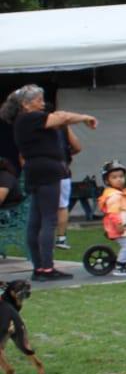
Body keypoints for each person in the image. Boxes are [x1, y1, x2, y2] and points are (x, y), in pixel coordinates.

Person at [1, 85, 97, 281]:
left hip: (34, 172)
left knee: (35, 221)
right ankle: (47, 268)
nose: (42, 104)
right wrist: (85, 117)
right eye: (38, 100)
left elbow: (60, 119)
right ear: (26, 105)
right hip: (47, 172)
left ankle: (39, 268)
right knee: (48, 220)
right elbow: (61, 118)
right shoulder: (31, 118)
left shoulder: (22, 121)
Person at [97, 160, 126, 276]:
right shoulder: (114, 196)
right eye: (114, 177)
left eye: (121, 176)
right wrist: (118, 225)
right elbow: (113, 213)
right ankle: (120, 266)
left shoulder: (122, 192)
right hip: (119, 227)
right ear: (107, 181)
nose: (119, 179)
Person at [54, 123, 81, 250]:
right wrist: (66, 155)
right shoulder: (62, 125)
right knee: (62, 206)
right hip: (62, 170)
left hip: (41, 172)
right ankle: (61, 238)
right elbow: (77, 147)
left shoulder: (32, 124)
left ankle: (42, 238)